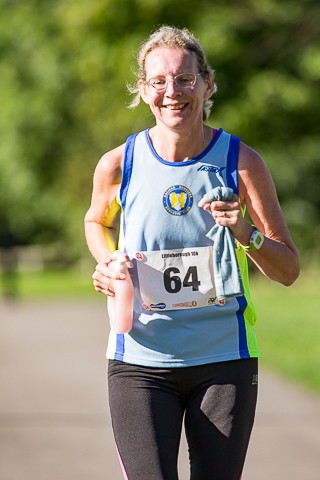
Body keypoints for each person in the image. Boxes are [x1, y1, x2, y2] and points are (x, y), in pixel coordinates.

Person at [84, 25, 300, 480]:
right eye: (159, 81)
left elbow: (288, 269)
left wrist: (244, 231)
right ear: (143, 91)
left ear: (208, 83)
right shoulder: (118, 164)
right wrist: (106, 260)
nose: (172, 92)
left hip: (224, 359)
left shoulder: (242, 162)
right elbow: (96, 221)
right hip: (140, 359)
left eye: (185, 78)